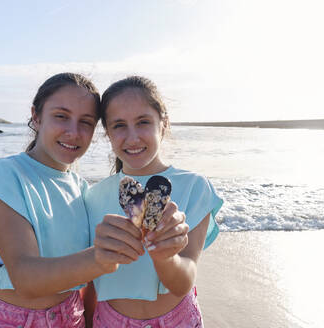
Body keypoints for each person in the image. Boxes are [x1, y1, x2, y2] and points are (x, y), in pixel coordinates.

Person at [0, 72, 186, 328]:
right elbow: (25, 278)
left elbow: (86, 282)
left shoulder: (81, 189)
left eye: (86, 122)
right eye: (61, 116)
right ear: (36, 115)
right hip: (5, 320)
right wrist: (100, 257)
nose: (73, 132)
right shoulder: (5, 175)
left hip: (72, 318)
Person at [86, 76, 224, 327]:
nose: (133, 137)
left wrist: (165, 257)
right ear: (107, 132)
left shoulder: (195, 187)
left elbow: (183, 282)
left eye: (143, 122)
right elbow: (89, 285)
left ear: (164, 123)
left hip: (178, 319)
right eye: (119, 125)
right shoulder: (92, 197)